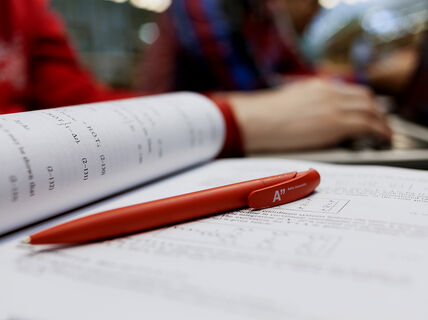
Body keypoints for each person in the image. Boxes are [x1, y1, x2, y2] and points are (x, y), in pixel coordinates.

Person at [0, 0, 391, 158]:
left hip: (169, 133)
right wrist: (234, 118)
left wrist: (339, 85)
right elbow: (248, 86)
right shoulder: (202, 6)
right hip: (175, 125)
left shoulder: (25, 9)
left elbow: (77, 103)